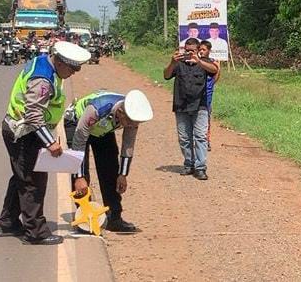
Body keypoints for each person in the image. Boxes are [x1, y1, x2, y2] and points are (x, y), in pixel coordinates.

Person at [0, 41, 90, 245]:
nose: (73, 74)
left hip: (24, 130)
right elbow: (34, 115)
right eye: (72, 69)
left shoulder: (45, 64)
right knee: (33, 182)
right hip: (24, 132)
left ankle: (8, 221)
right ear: (61, 63)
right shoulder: (43, 79)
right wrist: (50, 143)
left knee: (21, 176)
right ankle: (35, 232)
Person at [64, 90, 153, 233]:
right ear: (120, 112)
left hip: (102, 129)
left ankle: (114, 218)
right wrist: (79, 176)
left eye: (136, 123)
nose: (131, 125)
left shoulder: (132, 116)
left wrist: (123, 174)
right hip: (77, 125)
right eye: (129, 122)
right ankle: (86, 219)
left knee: (111, 169)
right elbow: (79, 141)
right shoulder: (98, 109)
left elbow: (128, 145)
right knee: (81, 177)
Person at [163, 38, 218, 180]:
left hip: (200, 106)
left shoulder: (205, 63)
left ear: (198, 50)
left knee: (200, 136)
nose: (189, 53)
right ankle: (189, 164)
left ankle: (200, 168)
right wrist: (172, 62)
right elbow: (166, 75)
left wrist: (199, 61)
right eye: (186, 50)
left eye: (192, 50)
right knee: (184, 138)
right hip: (181, 105)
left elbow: (214, 70)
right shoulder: (178, 63)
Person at [199, 40, 220, 151]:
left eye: (204, 49)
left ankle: (206, 141)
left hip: (207, 95)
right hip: (196, 95)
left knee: (206, 119)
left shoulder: (212, 63)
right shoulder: (196, 62)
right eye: (200, 49)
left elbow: (215, 77)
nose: (201, 52)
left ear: (209, 51)